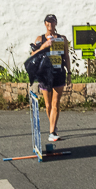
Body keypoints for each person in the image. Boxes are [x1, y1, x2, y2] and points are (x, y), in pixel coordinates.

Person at [29, 14, 69, 142]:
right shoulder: (39, 39)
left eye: (52, 21)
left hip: (59, 72)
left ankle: (52, 131)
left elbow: (66, 56)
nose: (50, 24)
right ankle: (53, 125)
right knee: (48, 104)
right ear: (45, 24)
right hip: (44, 74)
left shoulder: (62, 39)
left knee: (55, 103)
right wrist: (43, 46)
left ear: (56, 23)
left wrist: (70, 73)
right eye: (48, 22)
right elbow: (32, 55)